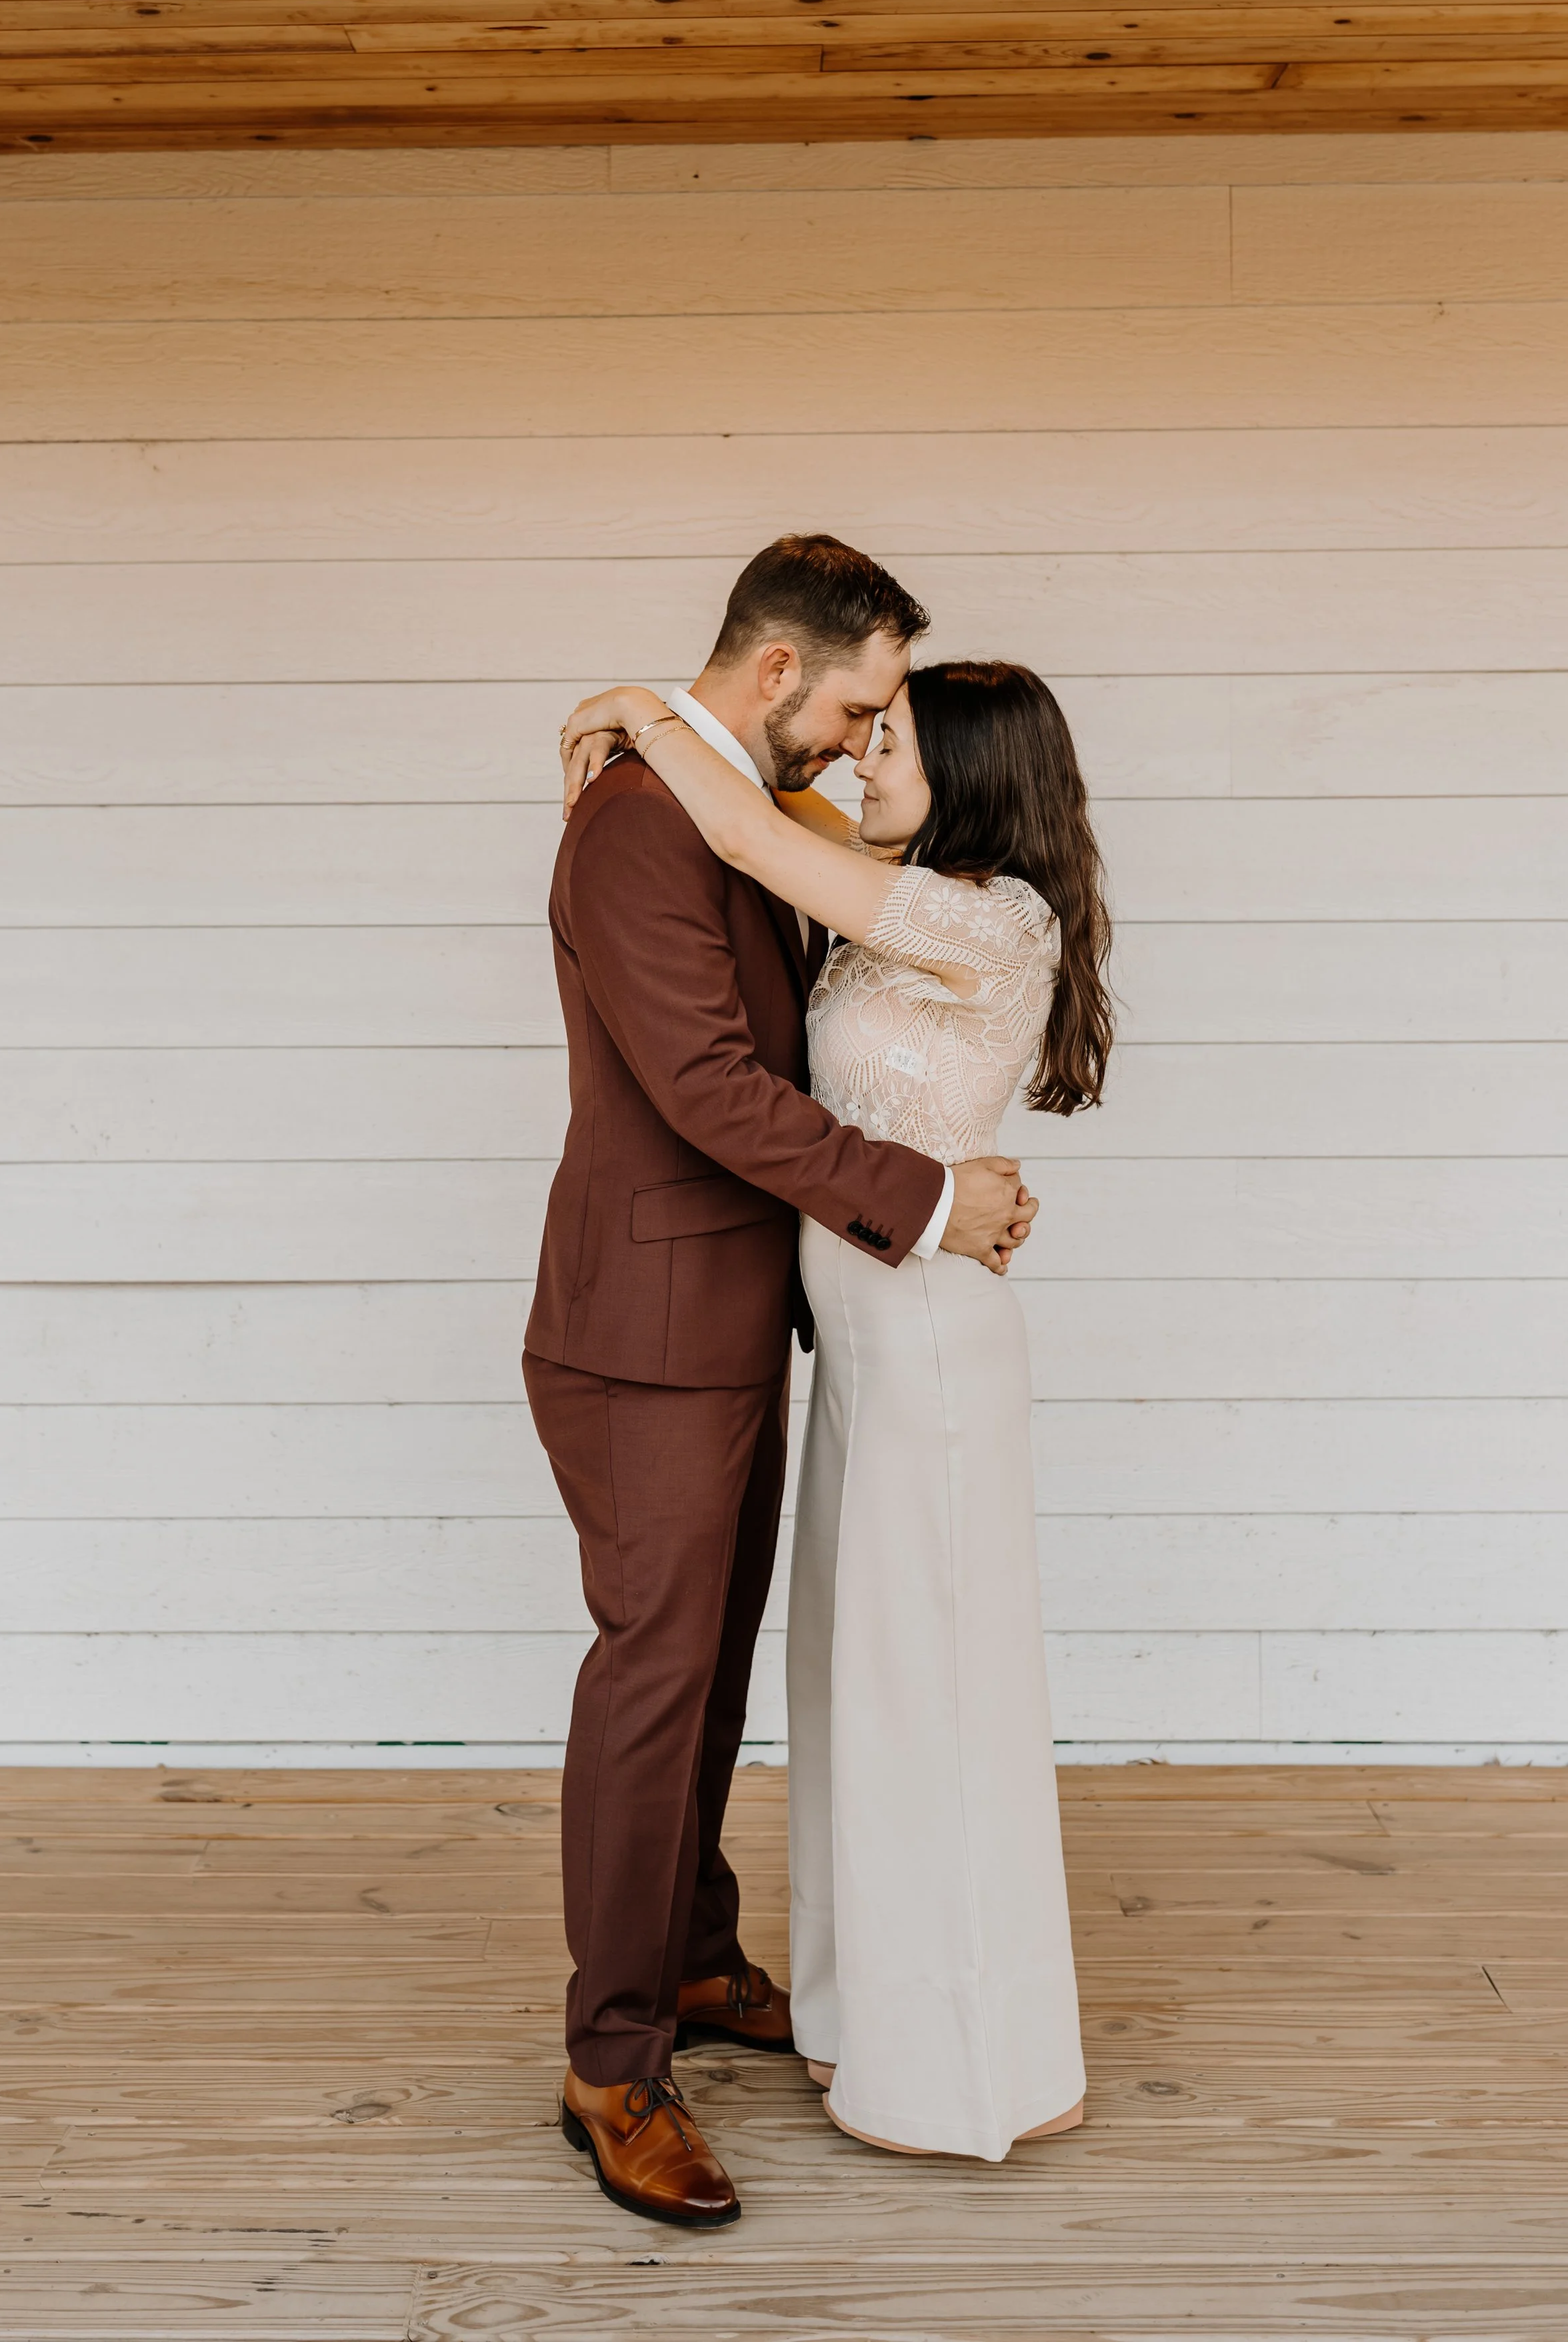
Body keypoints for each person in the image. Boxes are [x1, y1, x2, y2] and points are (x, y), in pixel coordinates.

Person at [523, 535, 1038, 2231]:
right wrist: (932, 1199)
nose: (862, 734)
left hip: (734, 1326)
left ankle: (682, 1959)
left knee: (713, 1661)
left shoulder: (730, 801)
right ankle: (611, 2064)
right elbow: (707, 1091)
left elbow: (803, 866)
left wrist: (635, 705)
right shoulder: (639, 827)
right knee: (656, 1677)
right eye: (861, 700)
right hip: (646, 1335)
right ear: (774, 674)